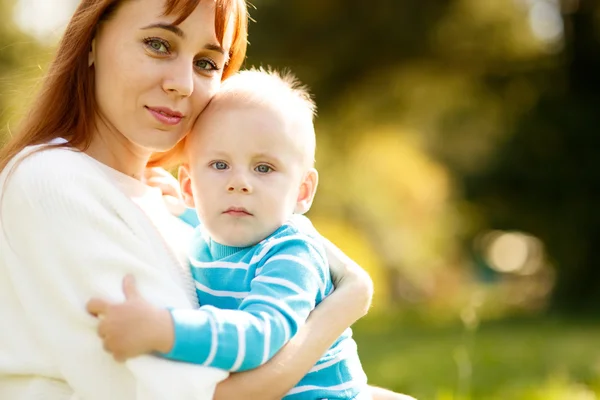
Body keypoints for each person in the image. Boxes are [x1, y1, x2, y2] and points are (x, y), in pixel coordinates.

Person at [0, 1, 376, 399]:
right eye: (159, 45)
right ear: (91, 39)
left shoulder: (166, 204)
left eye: (207, 63)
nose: (183, 82)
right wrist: (346, 302)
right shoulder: (55, 182)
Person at [90, 69, 370, 399]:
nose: (238, 183)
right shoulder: (208, 236)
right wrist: (179, 205)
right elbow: (206, 227)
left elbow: (258, 338)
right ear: (189, 185)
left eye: (263, 168)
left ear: (302, 191)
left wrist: (163, 329)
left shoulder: (292, 253)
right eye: (220, 165)